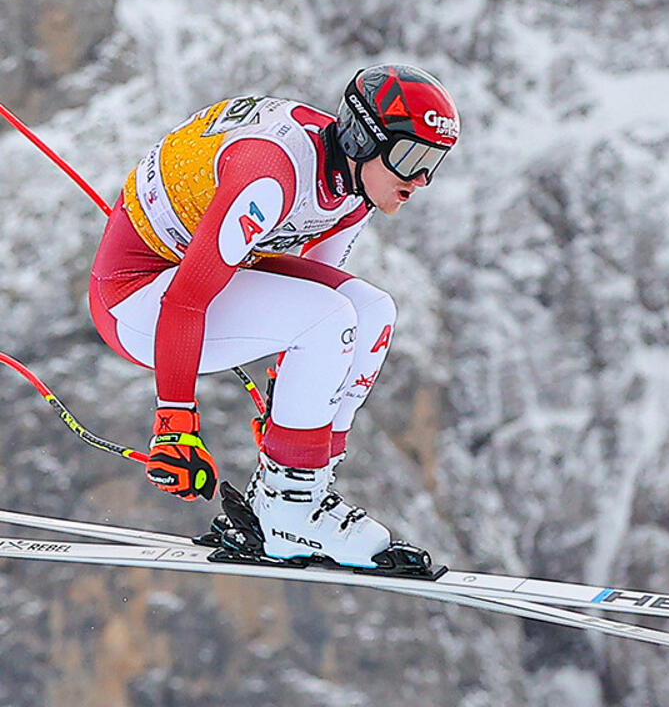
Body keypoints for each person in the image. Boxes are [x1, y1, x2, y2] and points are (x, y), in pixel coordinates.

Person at [88, 64, 460, 569]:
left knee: (372, 312)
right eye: (410, 157)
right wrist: (174, 421)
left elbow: (310, 297)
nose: (420, 179)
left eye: (432, 163)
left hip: (197, 281)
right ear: (361, 138)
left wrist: (287, 408)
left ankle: (296, 491)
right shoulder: (272, 173)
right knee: (329, 318)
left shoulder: (353, 190)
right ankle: (292, 512)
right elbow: (185, 300)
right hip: (138, 302)